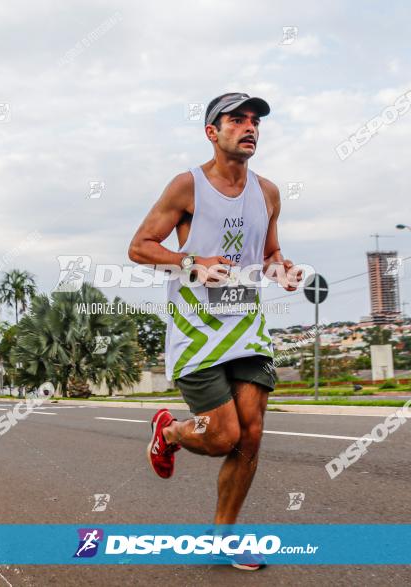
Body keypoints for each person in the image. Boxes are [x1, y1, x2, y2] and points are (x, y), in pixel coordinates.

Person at [128, 92, 303, 571]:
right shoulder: (187, 187)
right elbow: (139, 247)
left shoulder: (267, 192)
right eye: (237, 120)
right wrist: (191, 261)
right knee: (222, 436)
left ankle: (223, 537)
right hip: (196, 329)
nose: (249, 127)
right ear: (212, 132)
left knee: (252, 435)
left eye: (255, 121)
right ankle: (171, 432)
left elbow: (269, 253)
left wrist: (280, 269)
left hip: (247, 325)